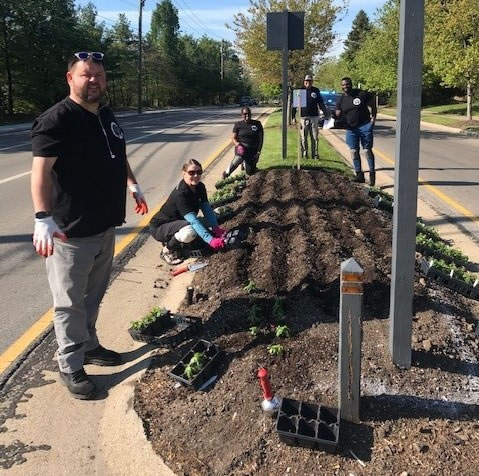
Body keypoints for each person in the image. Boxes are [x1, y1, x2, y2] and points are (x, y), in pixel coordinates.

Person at [31, 51, 149, 400]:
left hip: (105, 224)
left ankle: (90, 345)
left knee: (93, 296)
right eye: (86, 75)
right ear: (71, 78)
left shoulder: (106, 115)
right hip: (70, 232)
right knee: (69, 302)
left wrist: (132, 184)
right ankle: (70, 364)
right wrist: (42, 218)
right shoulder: (57, 120)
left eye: (99, 75)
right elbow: (40, 172)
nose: (94, 80)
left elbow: (118, 154)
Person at [150, 159, 227, 265]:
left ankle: (179, 242)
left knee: (204, 223)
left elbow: (207, 209)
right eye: (191, 173)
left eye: (199, 172)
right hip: (160, 226)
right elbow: (193, 221)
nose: (196, 175)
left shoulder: (200, 187)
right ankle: (167, 250)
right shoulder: (180, 194)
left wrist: (215, 228)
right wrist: (210, 240)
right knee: (190, 230)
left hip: (180, 223)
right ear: (184, 174)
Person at [335, 77, 377, 185]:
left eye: (347, 84)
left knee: (367, 150)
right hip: (351, 129)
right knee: (353, 151)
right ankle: (359, 174)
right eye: (343, 85)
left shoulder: (361, 94)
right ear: (341, 86)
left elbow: (373, 102)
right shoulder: (341, 99)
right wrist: (336, 116)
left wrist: (373, 119)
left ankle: (372, 173)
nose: (345, 87)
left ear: (351, 84)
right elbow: (338, 112)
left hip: (365, 126)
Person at [222, 107, 263, 179]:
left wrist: (258, 152)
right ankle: (226, 174)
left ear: (250, 114)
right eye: (244, 114)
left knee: (250, 172)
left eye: (248, 114)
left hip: (252, 150)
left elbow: (261, 139)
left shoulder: (257, 124)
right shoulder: (238, 125)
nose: (247, 115)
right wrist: (237, 144)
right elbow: (233, 138)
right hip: (241, 148)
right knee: (238, 158)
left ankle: (246, 165)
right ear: (241, 115)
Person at [300, 74, 330, 160]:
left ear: (312, 82)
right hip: (303, 117)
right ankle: (304, 154)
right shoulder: (301, 91)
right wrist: (294, 116)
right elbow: (296, 105)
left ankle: (315, 155)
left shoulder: (315, 90)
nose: (308, 82)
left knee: (314, 137)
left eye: (309, 81)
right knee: (303, 138)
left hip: (314, 117)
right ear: (304, 81)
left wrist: (326, 113)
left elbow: (321, 103)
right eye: (306, 81)